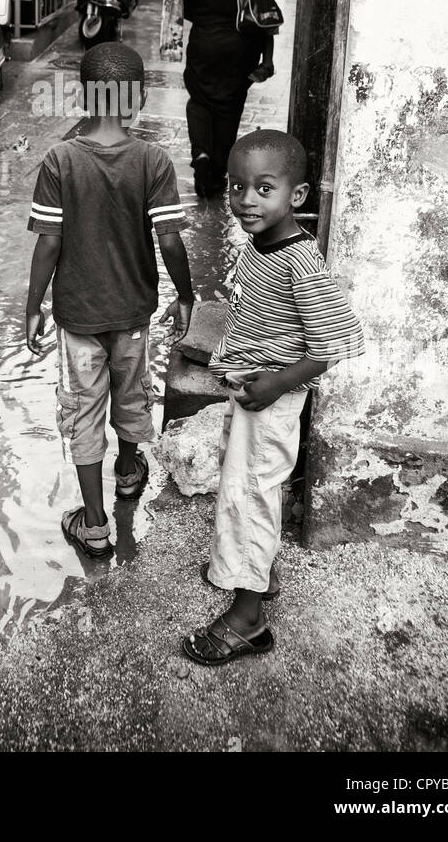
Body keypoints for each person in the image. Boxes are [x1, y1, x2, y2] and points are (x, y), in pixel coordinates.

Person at [182, 130, 365, 667]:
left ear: (297, 196)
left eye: (264, 188)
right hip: (253, 392)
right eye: (238, 186)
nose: (246, 200)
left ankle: (248, 619)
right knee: (244, 487)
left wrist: (277, 383)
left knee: (253, 493)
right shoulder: (258, 247)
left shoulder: (301, 262)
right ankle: (253, 571)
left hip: (272, 397)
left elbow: (336, 343)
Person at [24, 42, 194, 559]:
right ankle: (127, 472)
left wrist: (33, 305)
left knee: (83, 410)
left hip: (77, 318)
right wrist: (187, 295)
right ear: (138, 97)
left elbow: (48, 242)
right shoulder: (152, 161)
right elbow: (169, 240)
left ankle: (94, 523)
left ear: (82, 96)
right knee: (130, 392)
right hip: (132, 313)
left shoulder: (60, 161)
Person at [159, 0, 286, 199]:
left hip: (204, 41)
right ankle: (217, 171)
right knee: (229, 106)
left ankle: (201, 155)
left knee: (200, 100)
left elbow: (182, 3)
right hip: (243, 45)